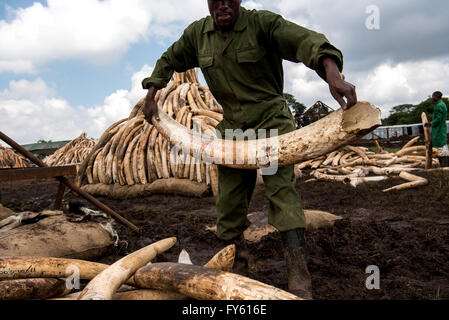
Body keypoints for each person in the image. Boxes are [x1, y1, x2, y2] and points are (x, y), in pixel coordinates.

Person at [141, 0, 357, 299]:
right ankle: (238, 269)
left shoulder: (263, 24)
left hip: (272, 125)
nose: (223, 5)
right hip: (231, 130)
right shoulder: (197, 35)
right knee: (228, 202)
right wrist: (152, 93)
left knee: (281, 194)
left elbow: (308, 42)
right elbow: (169, 59)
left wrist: (332, 75)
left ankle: (298, 277)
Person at [429, 91, 448, 166]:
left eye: (433, 96)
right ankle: (444, 164)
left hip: (438, 129)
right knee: (443, 145)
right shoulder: (442, 104)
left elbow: (438, 119)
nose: (432, 98)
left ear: (436, 96)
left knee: (440, 145)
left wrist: (430, 123)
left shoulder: (439, 106)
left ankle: (444, 164)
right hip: (441, 128)